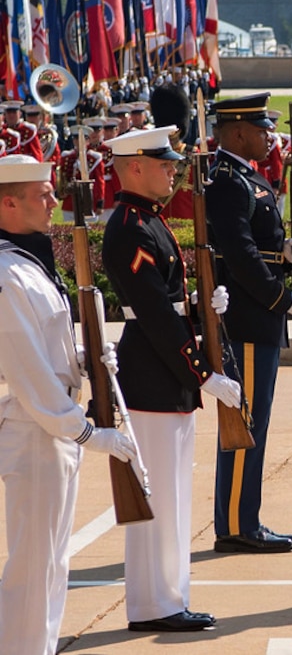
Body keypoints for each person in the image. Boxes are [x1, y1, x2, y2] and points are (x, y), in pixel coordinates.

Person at [102, 126, 240, 634]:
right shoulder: (131, 228)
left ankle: (168, 596)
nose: (173, 171)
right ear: (134, 166)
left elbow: (170, 301)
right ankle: (154, 603)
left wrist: (205, 308)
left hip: (166, 373)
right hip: (154, 372)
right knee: (158, 495)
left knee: (174, 493)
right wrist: (202, 373)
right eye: (164, 164)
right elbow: (156, 314)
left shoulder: (148, 221)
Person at [0, 155, 137, 654]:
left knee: (54, 563)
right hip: (38, 430)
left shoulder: (30, 259)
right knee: (33, 568)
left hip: (54, 429)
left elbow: (46, 349)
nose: (54, 201)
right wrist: (85, 431)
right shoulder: (7, 272)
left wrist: (83, 358)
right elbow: (27, 371)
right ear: (8, 203)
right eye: (42, 193)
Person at [206, 93, 292, 554]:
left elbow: (262, 244)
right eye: (261, 129)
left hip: (260, 317)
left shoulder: (247, 177)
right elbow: (239, 256)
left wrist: (291, 253)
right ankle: (236, 524)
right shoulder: (226, 181)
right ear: (237, 132)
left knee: (255, 421)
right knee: (245, 423)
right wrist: (284, 298)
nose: (269, 136)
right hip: (249, 318)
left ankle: (243, 517)